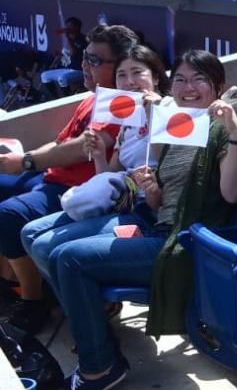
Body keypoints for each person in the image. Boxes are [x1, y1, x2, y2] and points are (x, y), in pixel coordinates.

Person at [38, 50, 237, 390]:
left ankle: (99, 366)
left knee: (70, 259)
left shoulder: (229, 131)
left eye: (199, 79)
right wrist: (152, 189)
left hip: (183, 245)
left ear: (218, 86)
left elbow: (233, 193)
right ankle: (97, 339)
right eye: (181, 79)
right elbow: (159, 202)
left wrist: (233, 132)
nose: (188, 87)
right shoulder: (180, 125)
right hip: (156, 228)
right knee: (54, 248)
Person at [0, 25, 136, 333]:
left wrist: (25, 161)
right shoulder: (92, 97)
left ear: (121, 65)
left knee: (8, 215)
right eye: (86, 56)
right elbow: (60, 142)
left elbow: (80, 151)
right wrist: (24, 161)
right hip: (49, 178)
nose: (84, 64)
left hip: (76, 189)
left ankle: (33, 301)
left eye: (95, 60)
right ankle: (11, 281)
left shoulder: (120, 104)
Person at [20, 44, 169, 298]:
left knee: (48, 247)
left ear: (155, 77)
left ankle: (91, 310)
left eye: (138, 73)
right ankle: (92, 305)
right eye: (122, 75)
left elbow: (169, 163)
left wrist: (157, 114)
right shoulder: (128, 121)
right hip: (123, 203)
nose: (130, 81)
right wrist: (99, 154)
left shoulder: (170, 111)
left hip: (147, 213)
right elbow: (108, 177)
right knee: (30, 234)